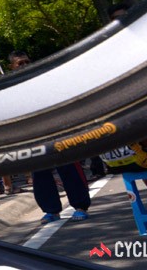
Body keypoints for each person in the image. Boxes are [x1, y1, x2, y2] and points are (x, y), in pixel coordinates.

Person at [9, 53, 91, 223]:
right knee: (40, 174)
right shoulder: (10, 89)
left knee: (69, 169)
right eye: (20, 63)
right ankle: (51, 210)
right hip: (33, 137)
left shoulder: (44, 81)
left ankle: (80, 206)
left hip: (56, 132)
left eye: (27, 61)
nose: (24, 65)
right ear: (12, 67)